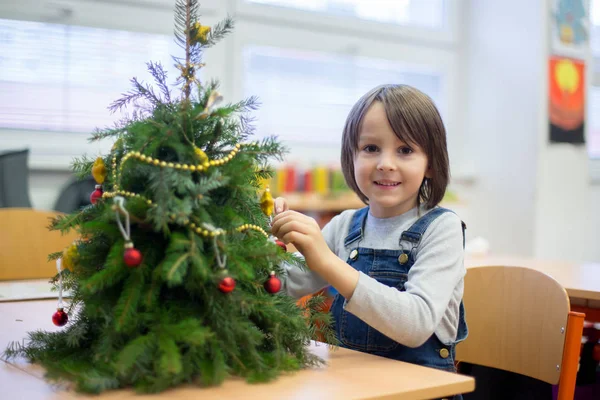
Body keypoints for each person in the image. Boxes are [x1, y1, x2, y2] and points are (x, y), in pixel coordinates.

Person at [271, 84, 468, 374]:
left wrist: (326, 260)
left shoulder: (441, 228)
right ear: (352, 157)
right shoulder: (344, 226)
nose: (385, 164)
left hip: (421, 391)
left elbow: (416, 324)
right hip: (351, 385)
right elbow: (282, 286)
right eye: (371, 148)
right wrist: (254, 248)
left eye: (405, 150)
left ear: (431, 164)